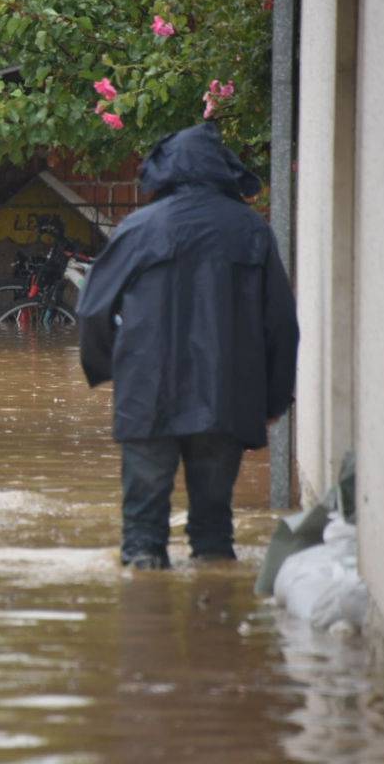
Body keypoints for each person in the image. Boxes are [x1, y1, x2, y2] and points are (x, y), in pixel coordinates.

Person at [76, 123, 299, 569]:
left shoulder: (138, 228)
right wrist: (272, 400)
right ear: (223, 171)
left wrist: (113, 372)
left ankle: (145, 619)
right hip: (227, 397)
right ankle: (215, 620)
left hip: (146, 398)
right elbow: (281, 325)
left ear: (166, 171)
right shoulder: (252, 232)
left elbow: (91, 310)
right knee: (215, 535)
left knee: (141, 541)